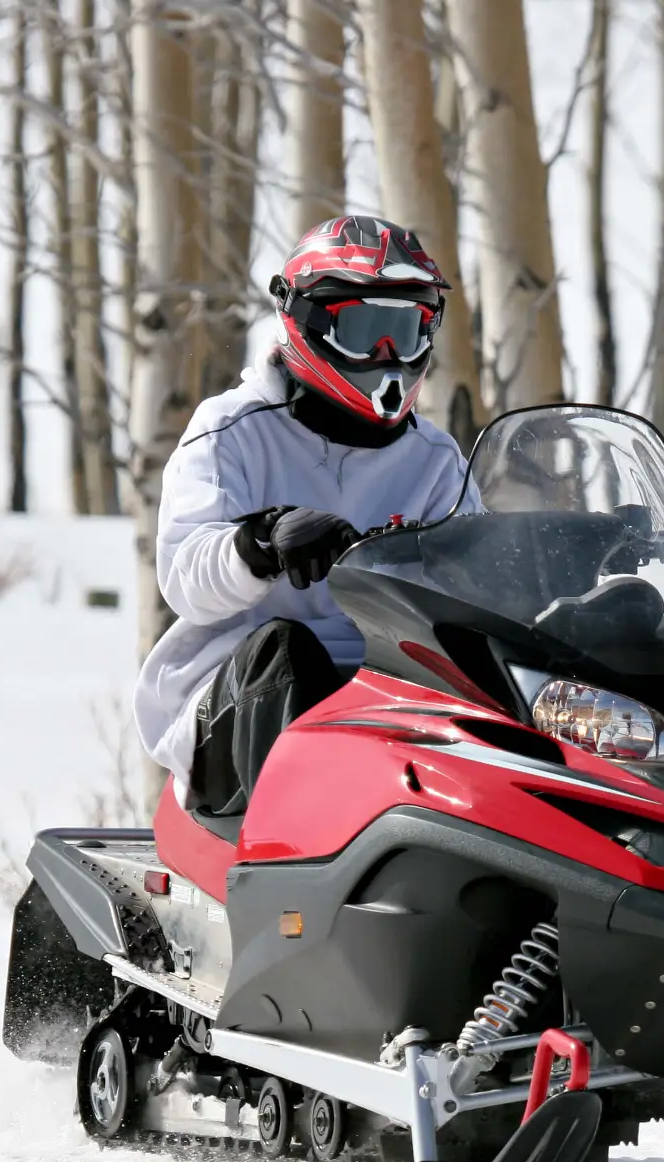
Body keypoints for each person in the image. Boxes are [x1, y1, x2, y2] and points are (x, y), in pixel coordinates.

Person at [134, 216, 481, 818]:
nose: (386, 354)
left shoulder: (435, 460)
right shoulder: (231, 431)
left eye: (405, 330)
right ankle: (290, 860)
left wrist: (577, 575)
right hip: (233, 703)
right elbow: (185, 575)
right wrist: (260, 543)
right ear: (311, 319)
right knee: (286, 651)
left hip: (386, 694)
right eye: (367, 329)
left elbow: (480, 576)